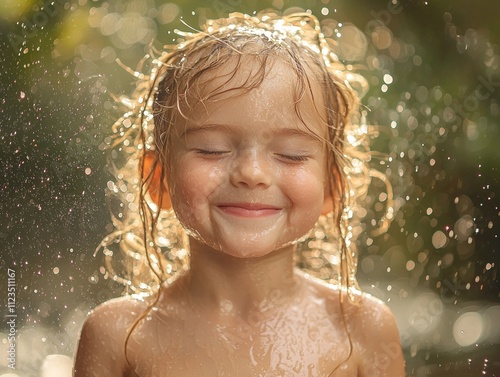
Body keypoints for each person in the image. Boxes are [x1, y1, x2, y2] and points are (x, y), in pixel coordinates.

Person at [74, 10, 405, 377]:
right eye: (212, 149)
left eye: (291, 154)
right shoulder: (119, 337)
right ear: (158, 177)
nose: (252, 173)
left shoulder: (361, 330)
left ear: (333, 188)